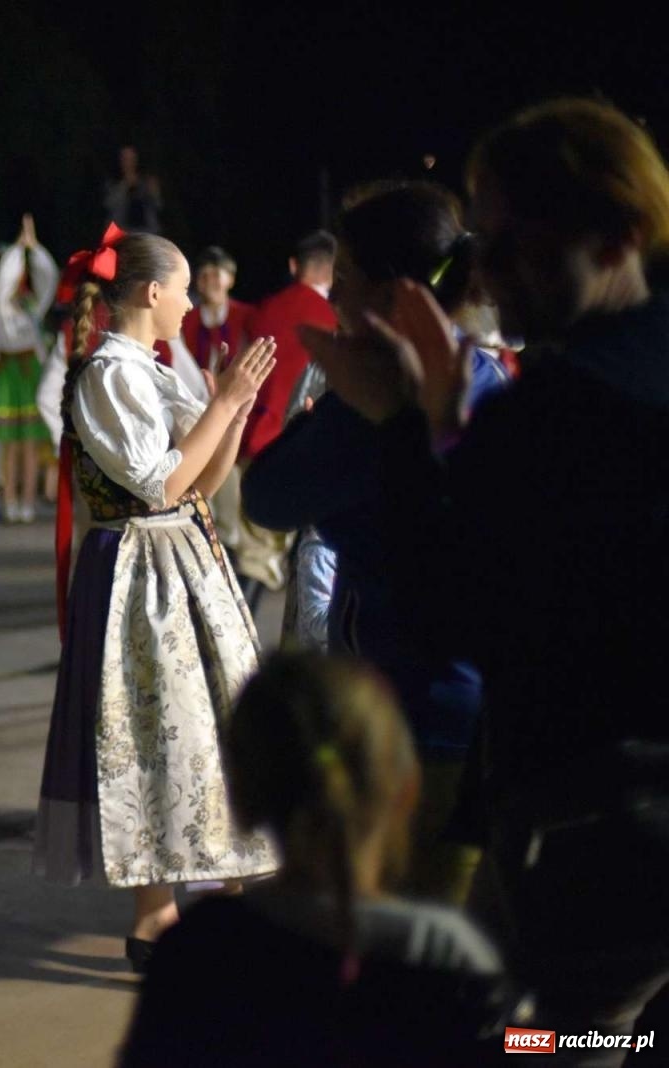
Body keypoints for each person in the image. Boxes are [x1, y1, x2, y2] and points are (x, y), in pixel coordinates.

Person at [309, 97, 669, 1066]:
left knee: (532, 1046)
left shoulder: (569, 402)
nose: (485, 271)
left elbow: (448, 606)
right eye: (479, 240)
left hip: (598, 827)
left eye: (515, 244)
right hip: (594, 820)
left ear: (618, 235)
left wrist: (401, 422)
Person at [243, 181, 510, 906]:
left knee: (400, 952)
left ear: (394, 297)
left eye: (348, 279)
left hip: (406, 717)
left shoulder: (370, 409)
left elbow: (268, 495)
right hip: (488, 715)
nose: (333, 298)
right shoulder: (486, 376)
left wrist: (336, 391)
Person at [34, 226, 280, 977]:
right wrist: (225, 401)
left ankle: (226, 901)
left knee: (212, 730)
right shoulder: (107, 373)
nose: (186, 301)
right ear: (151, 292)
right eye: (178, 288)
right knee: (154, 734)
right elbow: (159, 486)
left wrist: (232, 414)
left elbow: (199, 484)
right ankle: (157, 917)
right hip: (139, 572)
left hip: (183, 561)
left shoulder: (153, 366)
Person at [121, 654, 513, 1067]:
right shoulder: (442, 953)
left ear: (239, 798)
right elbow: (521, 1043)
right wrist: (582, 1036)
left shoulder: (199, 949)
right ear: (407, 790)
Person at [215, 230, 338, 605]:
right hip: (296, 446)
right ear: (332, 272)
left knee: (259, 553)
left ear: (293, 266)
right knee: (265, 560)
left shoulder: (263, 310)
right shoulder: (332, 318)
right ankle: (230, 650)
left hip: (251, 438)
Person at [0, 215, 58, 522]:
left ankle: (27, 501)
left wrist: (34, 248)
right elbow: (2, 281)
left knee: (29, 444)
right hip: (7, 375)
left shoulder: (33, 307)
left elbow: (48, 278)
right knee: (9, 444)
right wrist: (16, 251)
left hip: (29, 374)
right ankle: (10, 500)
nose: (17, 281)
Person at [180, 246, 253, 376]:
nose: (209, 281)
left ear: (230, 280)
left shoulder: (247, 316)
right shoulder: (185, 320)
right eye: (203, 276)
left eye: (215, 275)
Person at [103, 145, 164, 235]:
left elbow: (158, 206)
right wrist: (124, 185)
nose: (128, 162)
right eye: (124, 158)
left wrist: (154, 192)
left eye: (132, 158)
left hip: (147, 232)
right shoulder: (111, 182)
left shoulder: (147, 179)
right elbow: (109, 205)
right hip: (121, 232)